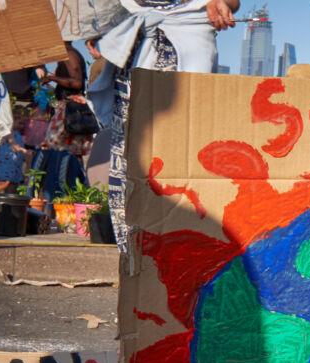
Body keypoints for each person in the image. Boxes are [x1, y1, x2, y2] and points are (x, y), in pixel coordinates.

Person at [91, 0, 239, 250]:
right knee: (129, 163)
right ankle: (133, 265)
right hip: (135, 47)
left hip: (186, 40)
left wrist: (219, 2)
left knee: (180, 161)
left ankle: (171, 261)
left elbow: (231, 2)